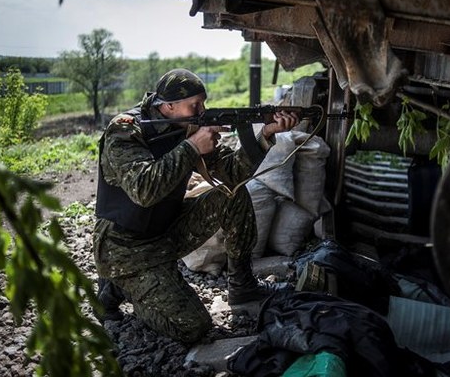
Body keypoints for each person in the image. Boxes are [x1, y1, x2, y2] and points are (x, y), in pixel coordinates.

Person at [92, 68, 299, 344]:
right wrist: (191, 147)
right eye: (195, 105)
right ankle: (123, 287)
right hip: (125, 246)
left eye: (203, 103)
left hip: (165, 231)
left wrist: (265, 135)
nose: (202, 111)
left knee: (232, 195)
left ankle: (242, 286)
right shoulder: (126, 130)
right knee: (194, 326)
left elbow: (232, 173)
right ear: (168, 106)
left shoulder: (187, 126)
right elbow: (143, 190)